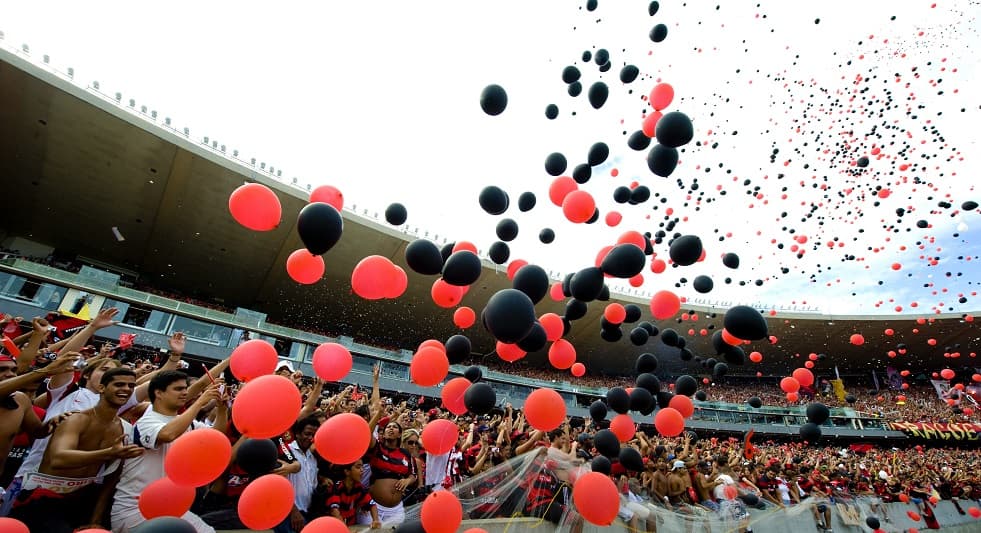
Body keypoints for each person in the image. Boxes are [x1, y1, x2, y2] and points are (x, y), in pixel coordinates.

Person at [10, 368, 143, 532]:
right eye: (119, 384)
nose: (126, 389)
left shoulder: (126, 429)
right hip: (44, 498)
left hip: (83, 500)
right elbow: (59, 459)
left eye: (131, 386)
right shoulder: (76, 419)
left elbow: (111, 479)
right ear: (102, 388)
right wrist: (108, 453)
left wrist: (96, 518)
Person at [110, 371, 226, 532]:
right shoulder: (147, 421)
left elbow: (215, 436)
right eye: (178, 389)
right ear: (158, 393)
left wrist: (222, 408)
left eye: (185, 388)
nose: (185, 392)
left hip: (167, 508)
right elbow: (167, 434)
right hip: (134, 510)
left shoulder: (188, 423)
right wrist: (199, 403)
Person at [286, 416, 320, 532]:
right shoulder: (287, 452)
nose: (310, 438)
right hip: (290, 516)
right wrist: (293, 511)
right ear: (297, 434)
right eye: (307, 434)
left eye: (313, 435)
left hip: (308, 515)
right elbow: (279, 486)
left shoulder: (313, 458)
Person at [327, 460, 381, 528]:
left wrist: (375, 520)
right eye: (358, 467)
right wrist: (345, 529)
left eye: (362, 467)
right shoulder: (336, 487)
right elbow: (334, 511)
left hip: (351, 526)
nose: (362, 470)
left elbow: (372, 504)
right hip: (334, 527)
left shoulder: (359, 487)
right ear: (347, 472)